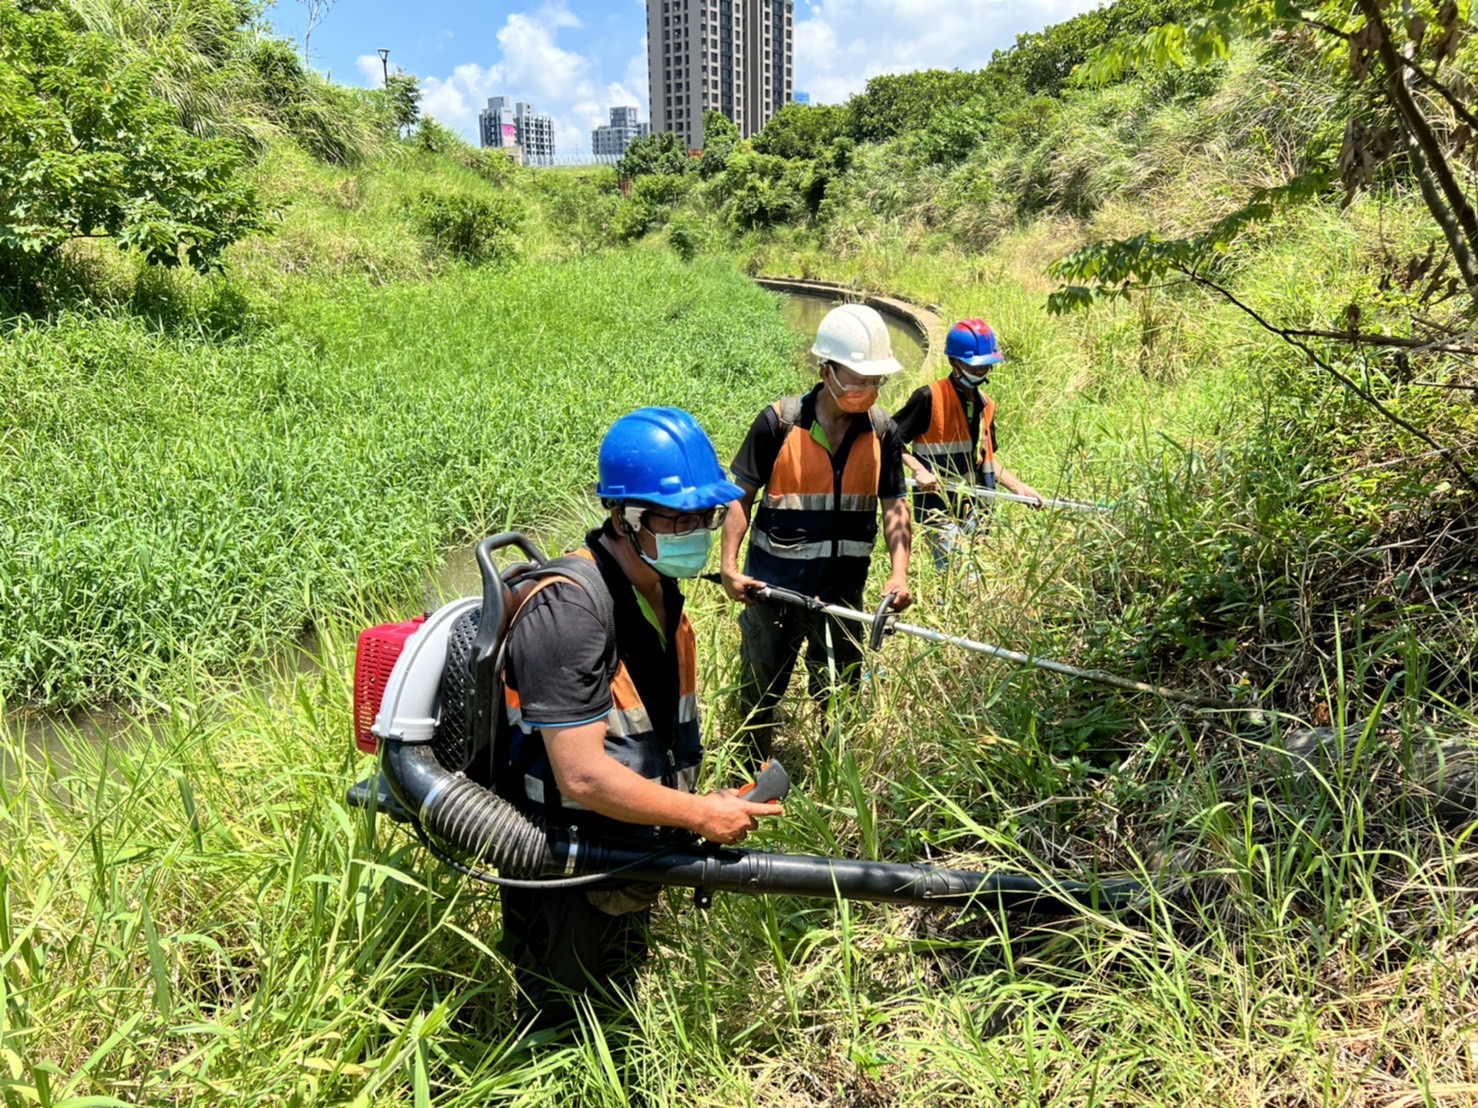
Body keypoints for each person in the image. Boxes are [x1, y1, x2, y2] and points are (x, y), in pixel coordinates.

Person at [497, 407, 783, 1031]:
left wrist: (689, 806)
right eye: (674, 518)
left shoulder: (658, 584)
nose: (694, 532)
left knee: (617, 1007)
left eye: (702, 517)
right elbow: (583, 777)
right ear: (622, 518)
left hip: (627, 845)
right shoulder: (570, 611)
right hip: (563, 864)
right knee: (559, 1026)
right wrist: (702, 813)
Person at [720, 303, 913, 766]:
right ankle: (748, 776)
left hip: (843, 594)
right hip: (773, 592)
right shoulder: (779, 423)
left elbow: (895, 505)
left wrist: (899, 573)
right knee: (759, 692)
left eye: (875, 382)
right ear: (825, 370)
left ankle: (831, 774)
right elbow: (738, 499)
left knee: (838, 695)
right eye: (855, 379)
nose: (866, 391)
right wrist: (728, 568)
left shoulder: (883, 433)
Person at [894, 319, 1042, 572]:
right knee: (963, 577)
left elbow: (987, 461)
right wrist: (919, 470)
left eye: (986, 366)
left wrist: (1019, 487)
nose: (980, 372)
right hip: (937, 509)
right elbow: (889, 440)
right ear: (954, 362)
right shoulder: (929, 397)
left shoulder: (986, 405)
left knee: (970, 582)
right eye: (974, 366)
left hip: (974, 509)